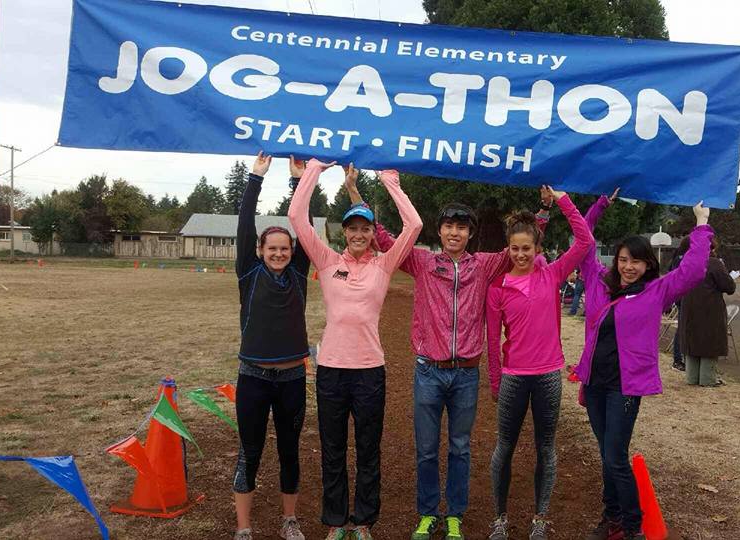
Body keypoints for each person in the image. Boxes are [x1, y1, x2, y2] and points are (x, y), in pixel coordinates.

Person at [350, 180, 551, 540]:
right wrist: (354, 191)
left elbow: (523, 248)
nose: (454, 232)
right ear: (439, 230)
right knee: (426, 450)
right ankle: (428, 513)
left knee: (460, 448)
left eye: (462, 227)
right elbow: (382, 236)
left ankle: (454, 514)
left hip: (466, 375)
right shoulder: (422, 261)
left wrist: (544, 211)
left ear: (470, 233)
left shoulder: (485, 265)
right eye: (449, 226)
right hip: (428, 371)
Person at [288, 159, 423, 540]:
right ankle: (335, 522)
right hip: (330, 369)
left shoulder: (384, 264)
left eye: (365, 228)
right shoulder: (327, 260)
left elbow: (414, 226)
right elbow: (296, 215)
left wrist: (390, 182)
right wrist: (315, 167)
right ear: (344, 232)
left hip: (369, 372)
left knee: (367, 450)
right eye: (353, 228)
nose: (359, 234)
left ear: (370, 233)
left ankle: (362, 522)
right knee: (332, 451)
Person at [573, 193, 712, 540]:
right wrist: (602, 204)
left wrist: (702, 224)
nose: (628, 266)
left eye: (636, 261)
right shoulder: (598, 283)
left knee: (615, 456)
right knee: (606, 457)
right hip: (595, 384)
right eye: (623, 259)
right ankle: (613, 519)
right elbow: (584, 238)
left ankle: (633, 527)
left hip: (625, 386)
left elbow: (694, 270)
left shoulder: (656, 291)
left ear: (648, 264)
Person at [485, 186, 594, 540]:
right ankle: (500, 518)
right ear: (508, 249)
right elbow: (491, 338)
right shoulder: (498, 287)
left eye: (526, 248)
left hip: (547, 375)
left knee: (546, 448)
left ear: (537, 249)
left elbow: (585, 241)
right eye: (514, 248)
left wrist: (563, 199)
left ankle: (539, 519)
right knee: (505, 447)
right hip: (514, 377)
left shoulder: (552, 275)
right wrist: (496, 380)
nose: (520, 254)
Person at [232, 152, 311, 540]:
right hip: (253, 378)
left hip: (293, 378)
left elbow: (304, 225)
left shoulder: (298, 273)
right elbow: (245, 227)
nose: (278, 253)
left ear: (292, 252)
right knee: (250, 451)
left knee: (289, 451)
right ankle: (244, 528)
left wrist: (298, 182)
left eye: (284, 248)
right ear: (261, 251)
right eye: (271, 248)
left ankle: (289, 521)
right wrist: (255, 178)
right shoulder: (248, 273)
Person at [678, 236, 737, 387]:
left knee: (692, 341)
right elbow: (729, 287)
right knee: (709, 342)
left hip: (688, 307)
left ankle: (692, 377)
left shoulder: (685, 263)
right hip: (710, 309)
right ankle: (707, 379)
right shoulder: (714, 263)